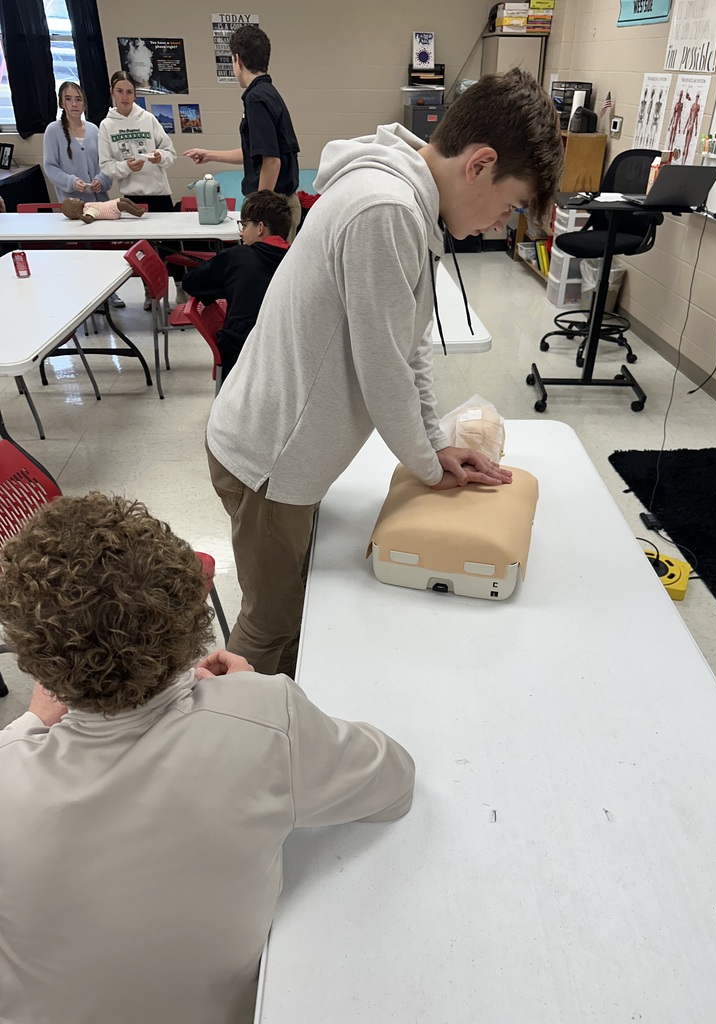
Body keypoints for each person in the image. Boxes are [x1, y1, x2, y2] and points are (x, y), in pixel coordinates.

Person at [0, 492, 414, 1024]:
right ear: (193, 611)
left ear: (33, 660)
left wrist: (28, 725)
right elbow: (394, 783)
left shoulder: (11, 767)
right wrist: (259, 694)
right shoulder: (263, 717)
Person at [205, 67, 563, 677]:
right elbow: (383, 373)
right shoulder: (386, 211)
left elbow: (409, 351)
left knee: (296, 613)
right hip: (269, 462)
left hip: (284, 453)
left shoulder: (409, 205)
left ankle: (280, 710)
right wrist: (428, 463)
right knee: (267, 628)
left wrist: (438, 447)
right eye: (509, 206)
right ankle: (233, 749)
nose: (501, 224)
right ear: (479, 164)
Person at [184, 25, 301, 242]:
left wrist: (258, 214)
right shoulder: (269, 94)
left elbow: (272, 161)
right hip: (281, 206)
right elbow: (256, 152)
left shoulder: (255, 98)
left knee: (264, 273)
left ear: (237, 60)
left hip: (272, 212)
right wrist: (209, 155)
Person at [98, 70, 186, 306]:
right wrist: (126, 167)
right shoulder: (106, 126)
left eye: (129, 92)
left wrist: (160, 157)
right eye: (120, 92)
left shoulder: (148, 119)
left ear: (135, 94)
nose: (125, 97)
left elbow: (170, 152)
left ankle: (180, 288)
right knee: (144, 251)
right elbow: (106, 166)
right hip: (133, 198)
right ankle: (150, 293)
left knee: (171, 246)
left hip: (160, 194)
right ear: (112, 93)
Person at [183, 189, 291, 380]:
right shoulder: (297, 259)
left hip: (240, 356)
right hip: (286, 358)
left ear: (260, 228)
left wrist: (225, 285)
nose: (241, 232)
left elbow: (191, 283)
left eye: (245, 224)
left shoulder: (238, 256)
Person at [44, 81, 125, 308]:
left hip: (100, 203)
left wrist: (102, 179)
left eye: (78, 99)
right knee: (81, 251)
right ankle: (87, 296)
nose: (74, 104)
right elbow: (50, 167)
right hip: (74, 205)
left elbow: (105, 163)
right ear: (61, 102)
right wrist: (71, 182)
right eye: (69, 99)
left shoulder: (94, 129)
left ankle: (110, 292)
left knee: (104, 248)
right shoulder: (53, 131)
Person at [61, 195, 145, 222]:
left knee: (125, 200)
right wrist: (82, 217)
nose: (77, 198)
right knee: (124, 205)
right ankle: (138, 213)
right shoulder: (87, 210)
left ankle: (138, 209)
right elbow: (90, 219)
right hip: (110, 211)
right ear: (74, 209)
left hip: (109, 204)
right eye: (75, 200)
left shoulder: (86, 205)